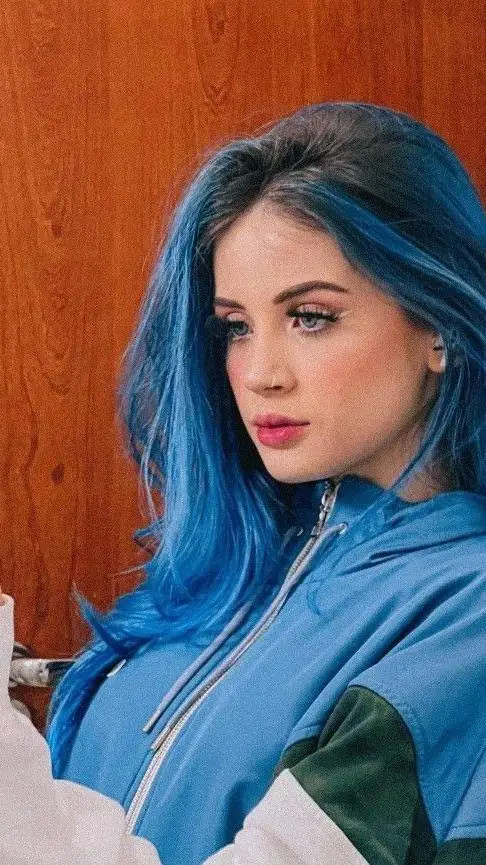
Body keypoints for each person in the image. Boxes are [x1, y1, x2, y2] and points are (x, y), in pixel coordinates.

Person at [1, 101, 486, 865]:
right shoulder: (217, 582)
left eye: (311, 316)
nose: (259, 373)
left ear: (441, 328)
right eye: (235, 325)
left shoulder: (466, 609)